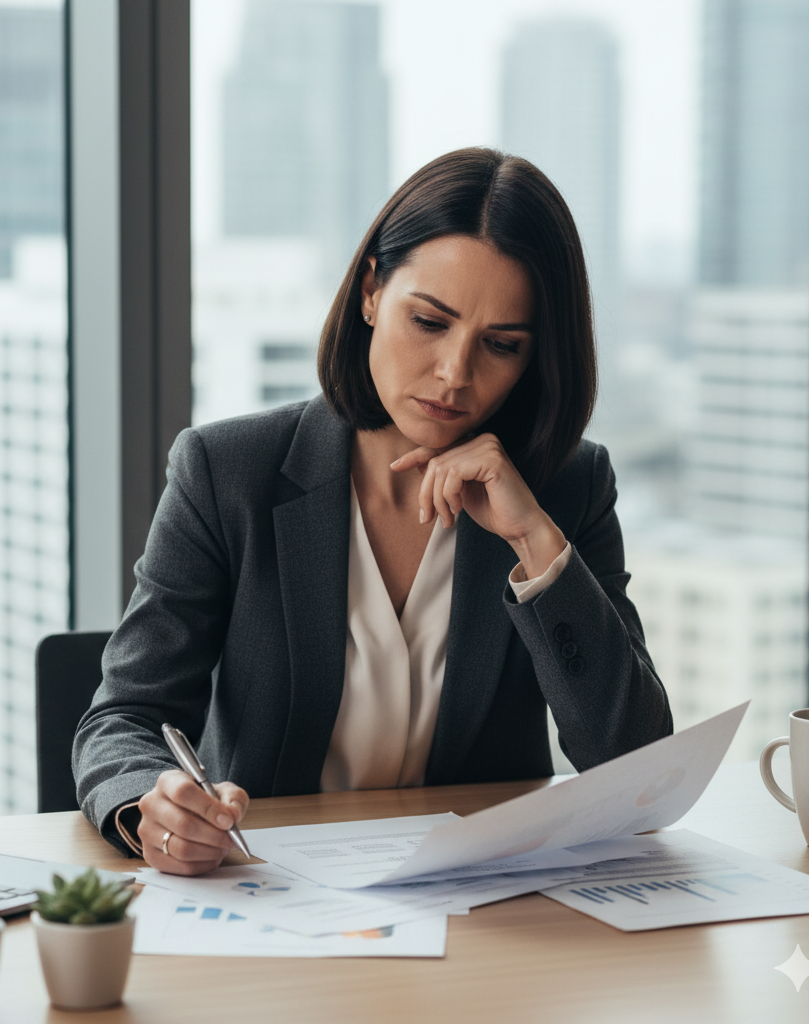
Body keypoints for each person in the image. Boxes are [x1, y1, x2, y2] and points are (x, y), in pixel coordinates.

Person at [72, 147, 673, 875]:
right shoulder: (226, 472)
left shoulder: (568, 488)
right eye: (429, 321)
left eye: (501, 345)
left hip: (481, 907)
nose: (455, 374)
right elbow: (123, 719)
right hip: (269, 892)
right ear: (369, 292)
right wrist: (154, 807)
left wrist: (535, 543)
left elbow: (637, 772)